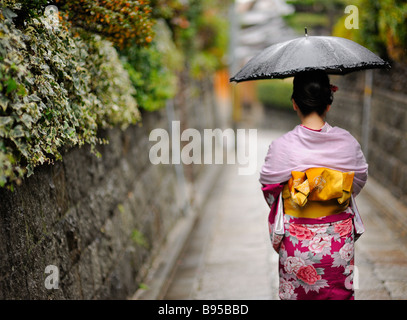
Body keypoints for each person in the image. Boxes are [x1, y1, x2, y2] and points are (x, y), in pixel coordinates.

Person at [260, 70, 368, 300]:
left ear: (294, 103)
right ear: (328, 104)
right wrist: (332, 191)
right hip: (338, 245)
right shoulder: (347, 142)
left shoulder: (282, 146)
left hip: (297, 246)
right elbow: (357, 182)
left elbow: (270, 189)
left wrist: (300, 195)